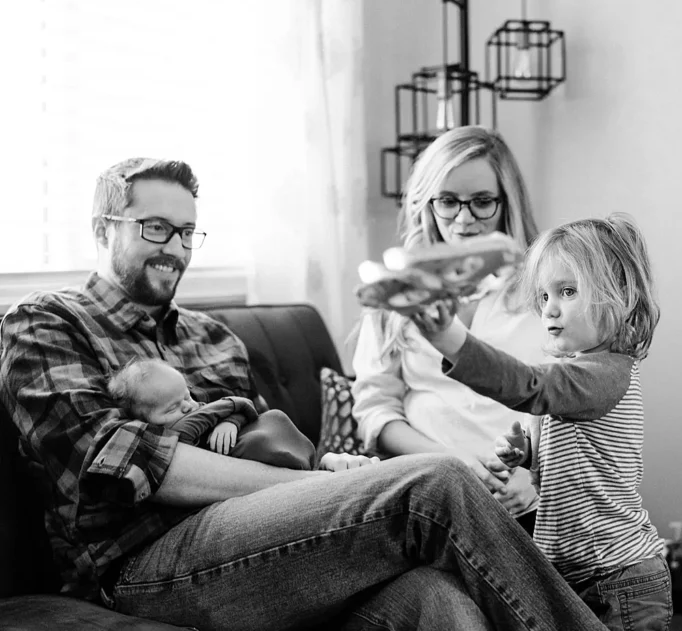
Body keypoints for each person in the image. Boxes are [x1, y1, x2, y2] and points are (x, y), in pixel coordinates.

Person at [0, 157, 608, 631]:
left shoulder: (213, 338)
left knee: (439, 603)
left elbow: (264, 449)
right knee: (436, 482)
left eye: (187, 232)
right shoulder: (46, 323)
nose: (176, 248)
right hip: (140, 565)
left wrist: (330, 469)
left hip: (249, 542)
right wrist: (322, 490)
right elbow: (129, 462)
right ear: (101, 228)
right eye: (155, 228)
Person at [408, 213, 673, 631]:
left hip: (620, 580)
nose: (550, 308)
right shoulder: (577, 372)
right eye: (545, 295)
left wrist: (452, 342)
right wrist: (527, 451)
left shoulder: (606, 374)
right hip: (574, 573)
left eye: (567, 291)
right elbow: (573, 444)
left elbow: (530, 387)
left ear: (618, 295)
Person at [351, 126, 548, 533]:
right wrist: (449, 464)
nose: (463, 219)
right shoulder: (399, 292)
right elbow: (375, 413)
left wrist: (538, 480)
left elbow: (567, 404)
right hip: (427, 491)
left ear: (506, 202)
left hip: (522, 498)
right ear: (428, 203)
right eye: (448, 201)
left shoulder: (543, 289)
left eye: (481, 202)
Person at [108, 357, 322, 471]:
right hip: (265, 465)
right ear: (143, 420)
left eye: (187, 395)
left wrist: (230, 422)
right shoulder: (172, 435)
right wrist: (228, 412)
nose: (188, 407)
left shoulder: (198, 410)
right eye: (172, 408)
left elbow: (243, 407)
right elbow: (233, 404)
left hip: (272, 433)